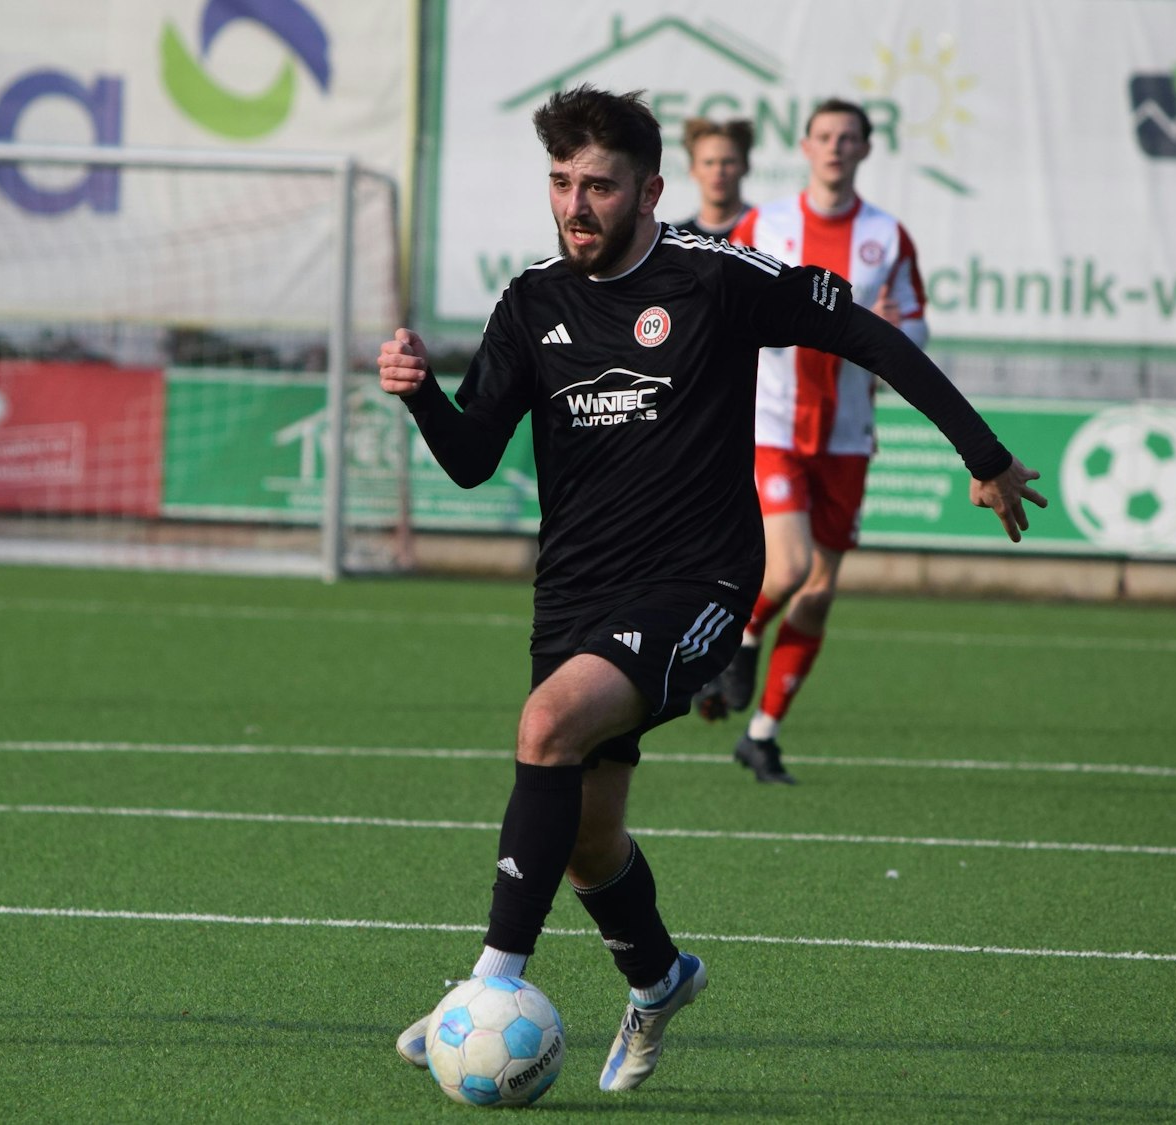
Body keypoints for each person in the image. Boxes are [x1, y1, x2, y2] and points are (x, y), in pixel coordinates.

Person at [377, 86, 1041, 1093]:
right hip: (572, 596)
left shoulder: (711, 278)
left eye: (596, 185)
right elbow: (471, 459)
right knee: (586, 844)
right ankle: (656, 978)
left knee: (545, 724)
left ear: (647, 190)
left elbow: (864, 335)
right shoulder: (529, 303)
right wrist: (423, 392)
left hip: (697, 582)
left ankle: (484, 987)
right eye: (559, 183)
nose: (574, 205)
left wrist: (981, 454)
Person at [691, 98, 930, 785]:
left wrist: (894, 328)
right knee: (789, 567)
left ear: (865, 149)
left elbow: (916, 326)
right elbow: (721, 302)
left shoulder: (888, 236)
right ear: (804, 145)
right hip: (772, 421)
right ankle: (736, 637)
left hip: (847, 433)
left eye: (848, 137)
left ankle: (761, 735)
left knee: (819, 592)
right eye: (824, 136)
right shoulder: (767, 223)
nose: (835, 147)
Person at [673, 116, 753, 238]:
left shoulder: (765, 232)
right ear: (692, 169)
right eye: (708, 163)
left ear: (745, 165)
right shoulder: (677, 239)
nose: (718, 171)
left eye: (728, 162)